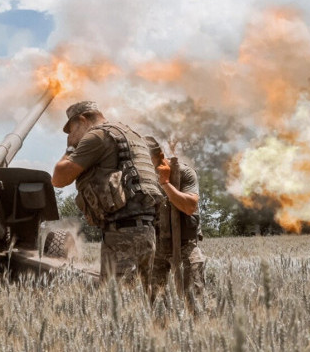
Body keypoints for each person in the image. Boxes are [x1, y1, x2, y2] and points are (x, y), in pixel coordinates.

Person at [51, 101, 162, 292]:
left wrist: (70, 149)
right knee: (142, 301)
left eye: (71, 129)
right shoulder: (130, 134)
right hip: (147, 232)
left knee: (117, 305)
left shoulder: (97, 136)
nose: (71, 135)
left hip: (122, 234)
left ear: (82, 119)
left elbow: (59, 179)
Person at [144, 136, 206, 301]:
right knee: (154, 302)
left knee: (194, 298)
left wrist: (165, 183)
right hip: (157, 245)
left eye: (147, 158)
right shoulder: (143, 177)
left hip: (185, 245)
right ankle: (160, 327)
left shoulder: (184, 172)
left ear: (160, 156)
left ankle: (197, 325)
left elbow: (189, 206)